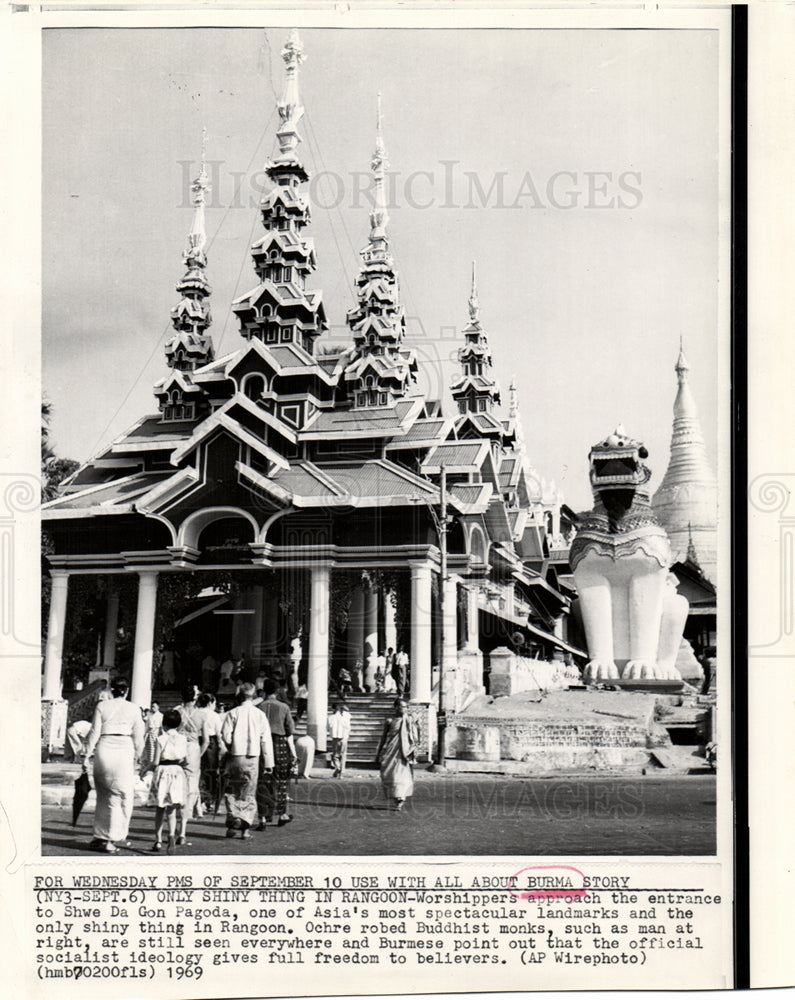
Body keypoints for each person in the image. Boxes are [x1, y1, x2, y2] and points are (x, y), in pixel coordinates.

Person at [83, 678, 144, 853]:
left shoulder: (102, 706)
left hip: (104, 747)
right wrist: (139, 757)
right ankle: (111, 838)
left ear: (112, 690)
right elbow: (139, 737)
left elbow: (94, 732)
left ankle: (100, 835)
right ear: (126, 690)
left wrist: (86, 755)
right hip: (124, 749)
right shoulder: (134, 708)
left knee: (103, 795)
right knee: (122, 795)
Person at [220, 683, 274, 838]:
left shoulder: (233, 713)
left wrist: (232, 744)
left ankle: (231, 824)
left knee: (233, 790)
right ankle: (245, 828)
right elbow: (265, 740)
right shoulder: (259, 715)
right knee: (249, 792)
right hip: (253, 756)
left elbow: (226, 735)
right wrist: (269, 762)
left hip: (236, 756)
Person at [256, 678, 297, 828]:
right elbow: (290, 730)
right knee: (281, 781)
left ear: (264, 691)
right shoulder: (283, 707)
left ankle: (263, 816)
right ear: (277, 690)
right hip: (279, 743)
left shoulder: (259, 707)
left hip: (262, 744)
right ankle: (282, 813)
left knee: (263, 780)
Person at [147, 709, 187, 854]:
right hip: (177, 771)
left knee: (160, 808)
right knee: (172, 808)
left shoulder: (161, 739)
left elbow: (156, 761)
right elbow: (183, 758)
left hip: (162, 771)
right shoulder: (183, 739)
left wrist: (145, 769)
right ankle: (171, 836)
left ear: (163, 724)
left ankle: (158, 840)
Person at [175, 684, 207, 843]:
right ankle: (182, 830)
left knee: (176, 786)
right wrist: (199, 754)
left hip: (179, 747)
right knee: (191, 789)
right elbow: (206, 740)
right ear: (194, 697)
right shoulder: (201, 715)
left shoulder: (177, 712)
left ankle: (174, 823)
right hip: (193, 748)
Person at [375, 698, 418, 812]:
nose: (404, 709)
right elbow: (384, 737)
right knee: (390, 775)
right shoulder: (390, 721)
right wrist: (379, 752)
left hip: (404, 752)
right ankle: (396, 798)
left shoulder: (409, 720)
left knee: (402, 776)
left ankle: (401, 798)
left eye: (406, 707)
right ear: (396, 707)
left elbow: (414, 735)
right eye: (402, 706)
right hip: (391, 751)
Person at [196, 692, 222, 812]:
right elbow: (219, 733)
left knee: (198, 771)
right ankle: (209, 801)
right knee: (211, 773)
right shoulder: (214, 715)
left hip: (197, 741)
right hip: (211, 743)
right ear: (210, 702)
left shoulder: (195, 713)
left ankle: (199, 799)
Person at [327, 701, 351, 778]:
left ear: (333, 709)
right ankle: (341, 772)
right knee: (343, 755)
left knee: (335, 755)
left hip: (335, 738)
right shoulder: (345, 717)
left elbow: (328, 728)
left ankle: (338, 767)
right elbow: (348, 727)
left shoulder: (330, 718)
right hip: (344, 738)